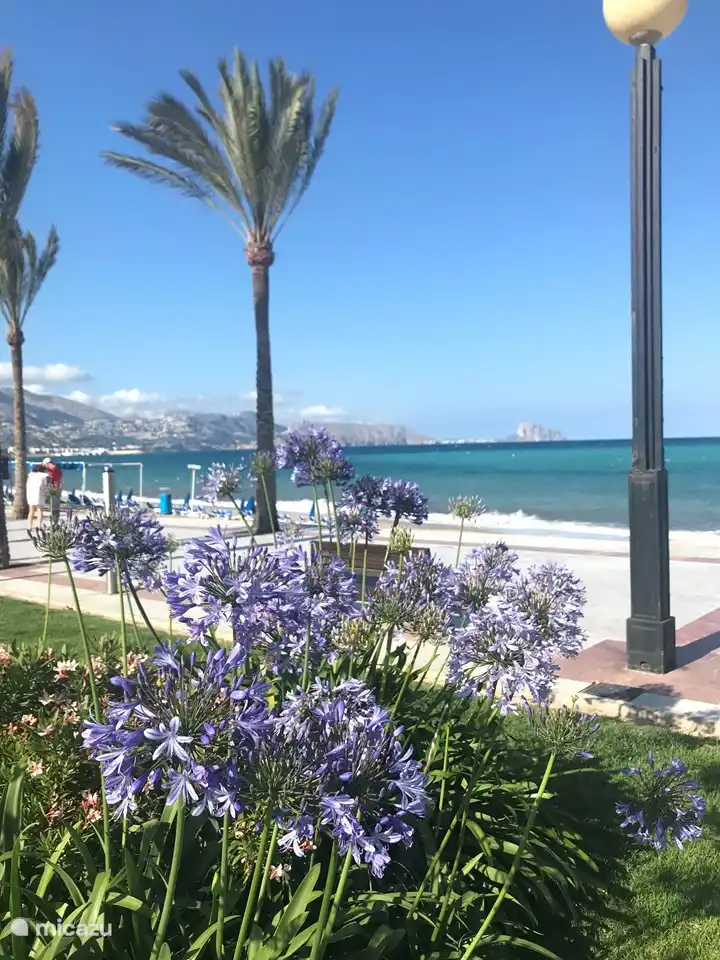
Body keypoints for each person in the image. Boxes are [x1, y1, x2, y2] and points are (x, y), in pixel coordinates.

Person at [26, 464, 48, 529]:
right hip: (39, 494)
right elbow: (45, 485)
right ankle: (39, 525)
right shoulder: (43, 476)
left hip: (30, 494)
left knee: (31, 511)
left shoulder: (30, 475)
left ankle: (29, 526)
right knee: (40, 510)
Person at [43, 457, 62, 522]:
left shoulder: (52, 470)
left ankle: (54, 522)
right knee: (56, 506)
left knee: (53, 507)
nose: (45, 467)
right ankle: (56, 520)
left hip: (53, 489)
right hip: (58, 488)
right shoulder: (58, 469)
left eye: (45, 465)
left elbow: (50, 481)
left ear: (48, 463)